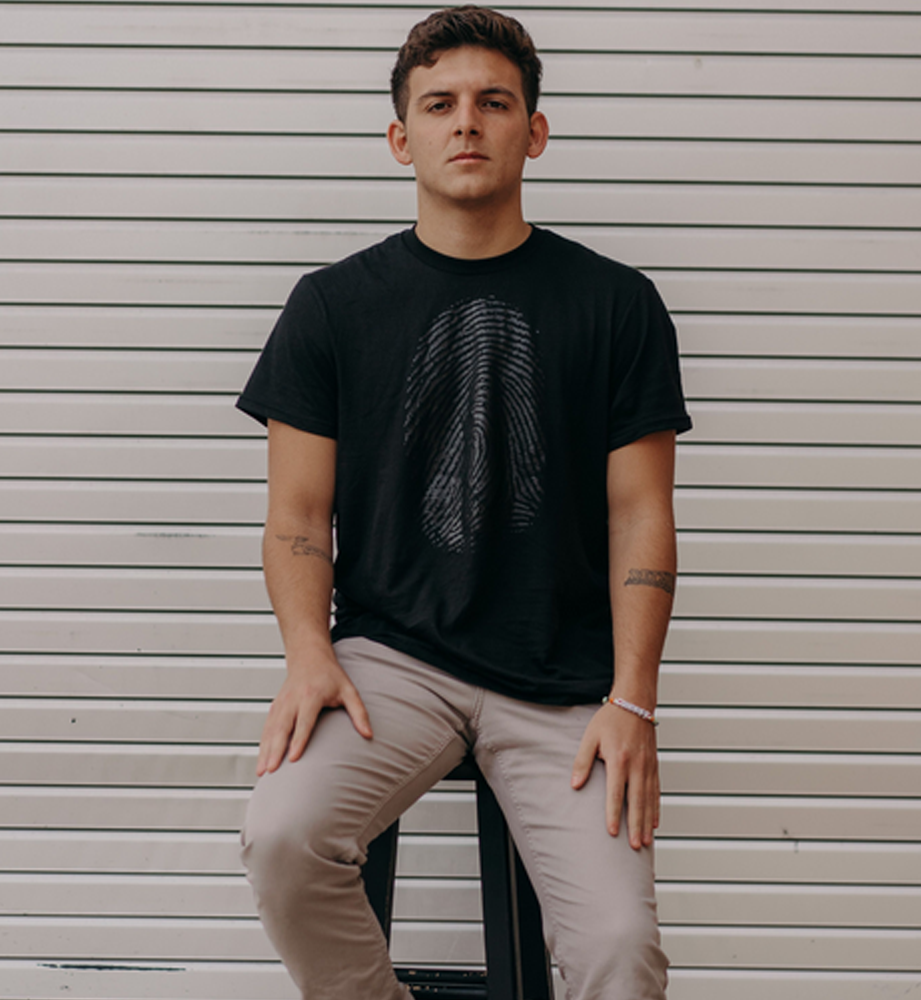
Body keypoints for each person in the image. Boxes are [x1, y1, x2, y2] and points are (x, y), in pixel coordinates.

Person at [237, 6, 691, 998]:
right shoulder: (331, 304)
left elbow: (641, 518)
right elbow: (296, 518)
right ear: (402, 137)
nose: (467, 123)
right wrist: (309, 655)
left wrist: (633, 701)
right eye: (438, 105)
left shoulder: (617, 305)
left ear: (535, 129)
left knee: (621, 951)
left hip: (566, 684)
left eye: (494, 101)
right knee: (280, 836)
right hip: (391, 658)